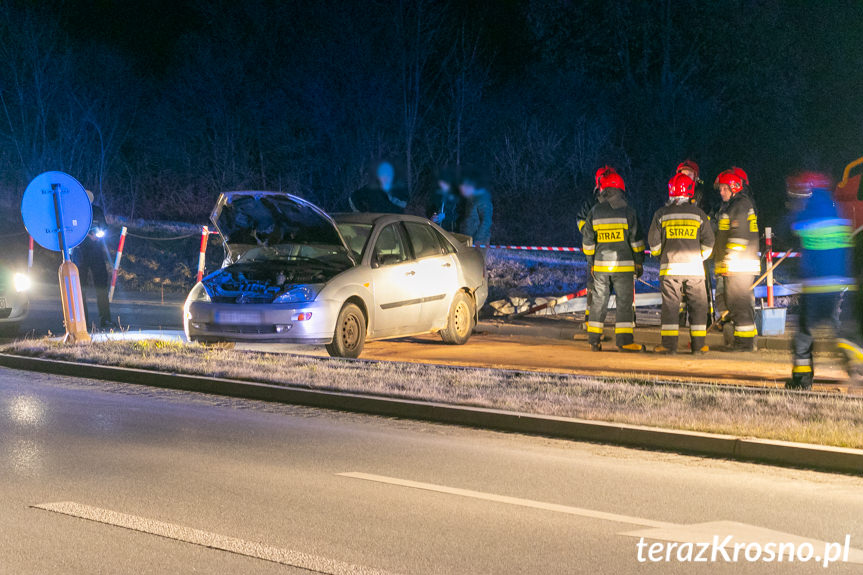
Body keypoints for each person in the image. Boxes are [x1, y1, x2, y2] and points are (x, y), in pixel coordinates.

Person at [786, 172, 863, 389]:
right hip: (840, 286)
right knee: (845, 333)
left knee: (803, 336)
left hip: (814, 288)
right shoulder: (837, 214)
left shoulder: (807, 213)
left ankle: (802, 380)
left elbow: (788, 228)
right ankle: (857, 368)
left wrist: (794, 210)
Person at [648, 173, 715, 354]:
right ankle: (699, 346)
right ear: (690, 192)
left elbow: (653, 245)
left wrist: (661, 255)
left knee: (670, 306)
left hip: (670, 268)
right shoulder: (700, 215)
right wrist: (699, 257)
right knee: (698, 306)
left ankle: (668, 346)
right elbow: (709, 243)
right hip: (695, 269)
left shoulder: (661, 214)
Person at [581, 169, 645, 352]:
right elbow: (636, 242)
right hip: (623, 267)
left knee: (598, 301)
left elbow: (587, 242)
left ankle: (594, 340)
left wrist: (591, 262)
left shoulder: (594, 211)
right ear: (620, 190)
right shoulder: (628, 211)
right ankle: (624, 342)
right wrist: (639, 261)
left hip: (600, 266)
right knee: (624, 302)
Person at [713, 169, 760, 351]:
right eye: (721, 189)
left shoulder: (739, 205)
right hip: (737, 264)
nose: (721, 192)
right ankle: (742, 342)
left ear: (734, 188)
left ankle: (745, 343)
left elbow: (739, 237)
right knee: (736, 303)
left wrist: (729, 260)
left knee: (739, 303)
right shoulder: (734, 205)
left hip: (738, 265)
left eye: (725, 189)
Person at [72, 191, 113, 328]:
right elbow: (72, 230)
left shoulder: (97, 211)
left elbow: (104, 227)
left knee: (101, 286)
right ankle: (82, 321)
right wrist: (86, 236)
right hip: (80, 252)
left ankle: (105, 318)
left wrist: (98, 235)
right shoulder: (75, 212)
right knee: (80, 288)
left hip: (96, 252)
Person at [457, 167, 493, 246]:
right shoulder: (469, 200)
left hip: (478, 243)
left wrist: (478, 239)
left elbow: (487, 221)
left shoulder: (483, 199)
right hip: (469, 240)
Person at [426, 167, 460, 233]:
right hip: (437, 230)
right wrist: (432, 216)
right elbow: (430, 208)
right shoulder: (436, 194)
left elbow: (460, 214)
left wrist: (445, 216)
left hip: (451, 231)